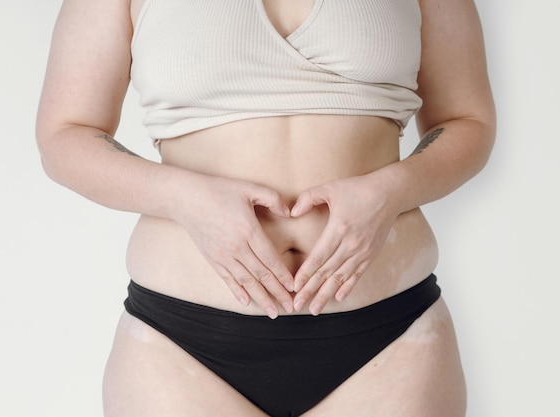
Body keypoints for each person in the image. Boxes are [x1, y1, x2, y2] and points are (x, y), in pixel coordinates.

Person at [36, 0, 495, 415]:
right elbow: (66, 133)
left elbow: (467, 121)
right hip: (179, 348)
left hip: (390, 341)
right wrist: (183, 197)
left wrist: (392, 190)